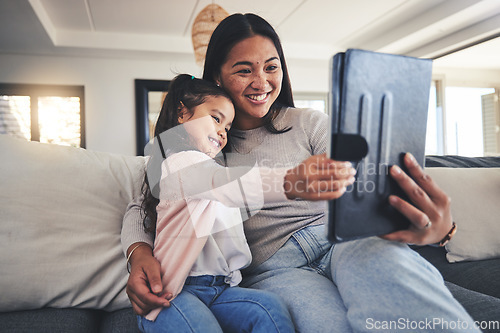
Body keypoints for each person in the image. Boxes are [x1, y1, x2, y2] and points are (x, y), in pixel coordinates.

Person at [123, 14, 481, 332]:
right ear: (217, 75)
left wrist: (438, 229)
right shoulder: (199, 143)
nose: (261, 81)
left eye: (272, 66)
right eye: (244, 69)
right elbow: (143, 204)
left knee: (396, 282)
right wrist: (139, 254)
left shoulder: (309, 123)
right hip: (277, 269)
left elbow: (363, 185)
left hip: (341, 243)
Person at [135, 74, 309, 332]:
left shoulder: (213, 170)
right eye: (216, 118)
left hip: (221, 288)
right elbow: (227, 185)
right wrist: (292, 180)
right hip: (175, 291)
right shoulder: (178, 163)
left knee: (269, 309)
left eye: (227, 127)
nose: (222, 131)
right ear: (182, 113)